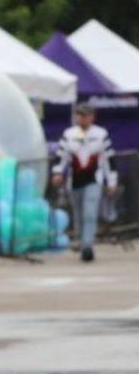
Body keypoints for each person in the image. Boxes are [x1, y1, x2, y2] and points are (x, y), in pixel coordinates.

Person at [53, 103, 118, 262]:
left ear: (92, 117)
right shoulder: (69, 134)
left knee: (90, 213)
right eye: (80, 115)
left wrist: (111, 181)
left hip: (93, 179)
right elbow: (62, 156)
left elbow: (108, 159)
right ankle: (82, 242)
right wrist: (57, 172)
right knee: (78, 214)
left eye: (86, 115)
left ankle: (88, 246)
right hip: (74, 180)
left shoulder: (101, 134)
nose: (83, 118)